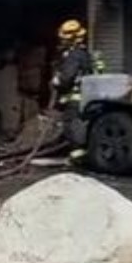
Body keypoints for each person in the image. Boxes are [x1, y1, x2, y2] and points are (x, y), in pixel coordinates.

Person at [52, 19, 105, 161]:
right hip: (88, 97)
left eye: (64, 39)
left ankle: (78, 158)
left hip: (75, 98)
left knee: (71, 125)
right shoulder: (85, 54)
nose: (62, 42)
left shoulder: (73, 56)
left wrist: (57, 81)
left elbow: (66, 78)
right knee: (80, 126)